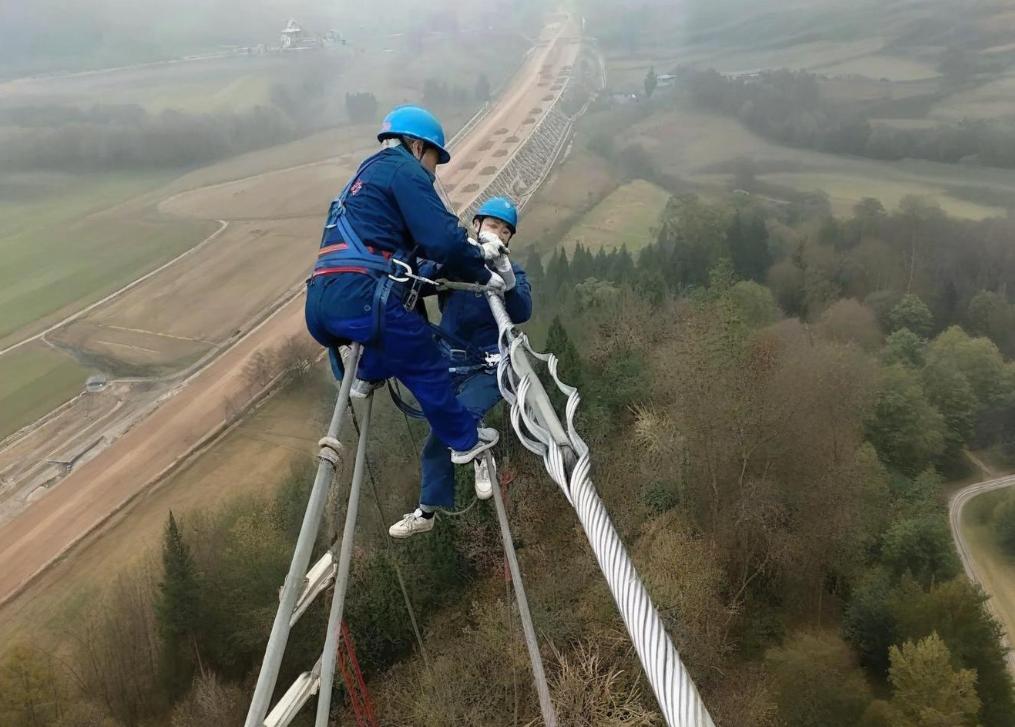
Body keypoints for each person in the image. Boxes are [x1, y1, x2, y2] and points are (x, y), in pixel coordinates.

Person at [304, 105, 506, 466]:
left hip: (321, 302)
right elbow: (443, 239)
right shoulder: (405, 171)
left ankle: (365, 374)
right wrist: (482, 270)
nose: (433, 172)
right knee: (424, 358)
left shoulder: (365, 175)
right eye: (434, 160)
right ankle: (464, 441)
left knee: (392, 332)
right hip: (363, 299)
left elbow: (403, 256)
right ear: (417, 147)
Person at [389, 197, 532, 538]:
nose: (499, 233)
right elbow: (418, 281)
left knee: (461, 415)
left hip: (491, 366)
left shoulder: (512, 271)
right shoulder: (456, 266)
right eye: (493, 225)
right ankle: (427, 511)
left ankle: (478, 453)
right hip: (452, 361)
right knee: (438, 438)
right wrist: (452, 257)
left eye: (506, 230)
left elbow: (522, 309)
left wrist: (506, 278)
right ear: (478, 225)